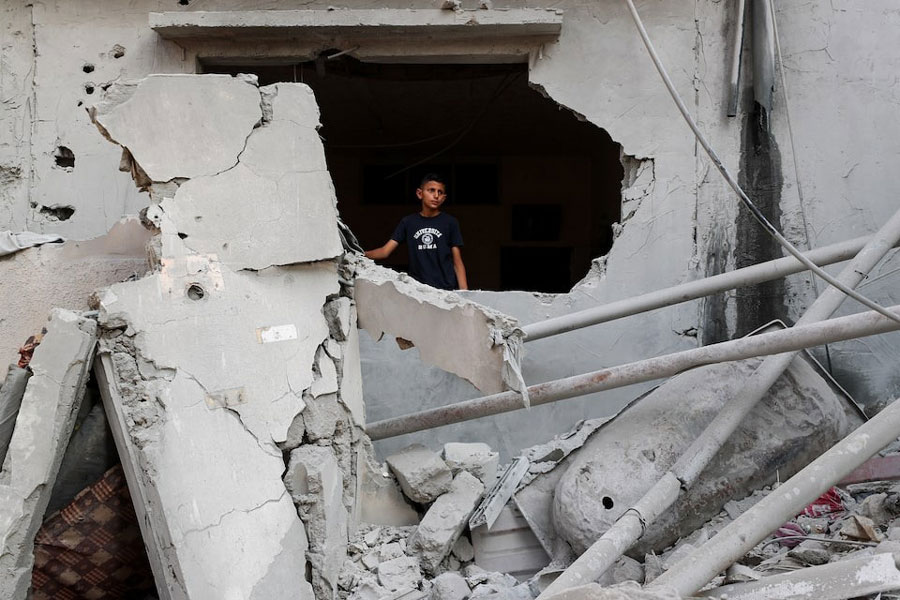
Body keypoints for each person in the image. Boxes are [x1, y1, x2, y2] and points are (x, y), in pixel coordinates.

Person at [365, 173, 468, 290]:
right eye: (431, 190)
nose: (436, 195)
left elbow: (457, 261)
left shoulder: (450, 222)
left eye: (440, 192)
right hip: (419, 290)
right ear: (420, 193)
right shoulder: (408, 222)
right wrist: (360, 255)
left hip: (446, 290)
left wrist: (464, 293)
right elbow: (385, 251)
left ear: (444, 198)